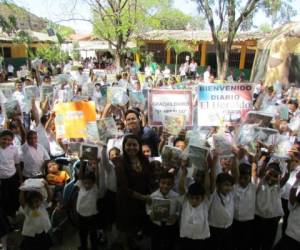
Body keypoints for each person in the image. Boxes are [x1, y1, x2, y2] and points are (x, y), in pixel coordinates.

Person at [112, 133, 153, 249]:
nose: (131, 147)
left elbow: (150, 177)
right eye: (128, 145)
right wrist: (143, 197)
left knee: (138, 226)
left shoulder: (144, 160)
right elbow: (123, 187)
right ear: (124, 146)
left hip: (142, 201)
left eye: (134, 145)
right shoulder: (119, 161)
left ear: (139, 146)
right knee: (127, 229)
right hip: (126, 201)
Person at [253, 162, 285, 250]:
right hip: (258, 218)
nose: (272, 177)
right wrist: (266, 161)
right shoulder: (260, 184)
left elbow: (285, 178)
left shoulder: (278, 187)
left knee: (267, 244)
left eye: (275, 176)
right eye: (270, 174)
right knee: (256, 242)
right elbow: (260, 173)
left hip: (272, 221)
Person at [147, 172, 180, 250]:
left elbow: (179, 209)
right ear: (159, 183)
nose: (165, 186)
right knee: (155, 243)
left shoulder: (176, 196)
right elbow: (148, 207)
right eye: (163, 183)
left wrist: (176, 216)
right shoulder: (153, 196)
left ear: (173, 184)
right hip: (157, 224)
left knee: (169, 243)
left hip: (170, 225)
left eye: (169, 184)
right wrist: (150, 213)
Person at [19, 180, 53, 250]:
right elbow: (21, 201)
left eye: (37, 201)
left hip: (43, 233)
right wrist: (22, 190)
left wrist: (47, 186)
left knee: (45, 247)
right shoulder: (28, 209)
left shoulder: (42, 205)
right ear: (29, 202)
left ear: (41, 200)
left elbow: (50, 197)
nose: (35, 204)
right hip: (31, 235)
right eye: (33, 202)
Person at [76, 161, 100, 250]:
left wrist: (97, 164)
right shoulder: (81, 186)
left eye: (89, 183)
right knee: (82, 233)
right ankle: (83, 246)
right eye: (85, 183)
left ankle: (94, 247)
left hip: (92, 217)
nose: (87, 185)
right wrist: (82, 162)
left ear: (93, 183)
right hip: (80, 215)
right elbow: (80, 176)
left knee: (93, 234)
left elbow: (97, 177)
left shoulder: (95, 188)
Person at [233, 163, 256, 250]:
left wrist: (254, 162)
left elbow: (254, 171)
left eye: (245, 178)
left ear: (250, 178)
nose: (242, 181)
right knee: (234, 243)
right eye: (240, 178)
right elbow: (235, 172)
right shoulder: (234, 187)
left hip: (248, 224)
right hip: (234, 222)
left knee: (244, 245)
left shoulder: (253, 187)